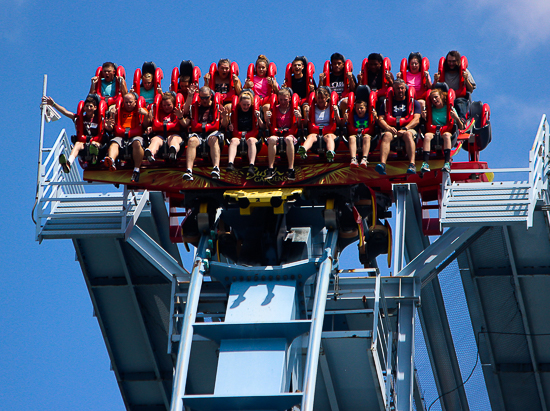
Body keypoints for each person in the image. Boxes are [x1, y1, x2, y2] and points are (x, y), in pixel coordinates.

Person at [42, 94, 104, 172]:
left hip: (96, 143)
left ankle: (94, 157)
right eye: (87, 106)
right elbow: (65, 112)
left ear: (95, 108)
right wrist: (53, 104)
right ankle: (68, 163)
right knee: (77, 144)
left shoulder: (99, 119)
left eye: (91, 106)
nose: (88, 108)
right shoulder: (79, 118)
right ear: (84, 108)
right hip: (84, 143)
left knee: (95, 144)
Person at [182, 86, 228, 181]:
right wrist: (190, 96)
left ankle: (216, 168)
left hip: (212, 133)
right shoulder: (196, 107)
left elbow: (224, 124)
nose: (204, 100)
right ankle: (189, 170)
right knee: (191, 141)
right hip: (198, 133)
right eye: (202, 98)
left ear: (211, 96)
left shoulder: (217, 107)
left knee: (214, 139)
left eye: (206, 98)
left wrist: (225, 117)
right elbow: (186, 116)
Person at [375, 79, 421, 175]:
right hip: (391, 128)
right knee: (386, 135)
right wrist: (388, 127)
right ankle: (383, 164)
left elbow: (416, 119)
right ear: (394, 90)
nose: (400, 91)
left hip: (407, 128)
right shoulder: (386, 103)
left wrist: (405, 128)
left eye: (402, 88)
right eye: (397, 89)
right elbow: (380, 119)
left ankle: (412, 164)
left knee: (408, 135)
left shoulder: (414, 103)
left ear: (405, 89)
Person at [103, 92, 149, 183]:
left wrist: (146, 115)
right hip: (121, 136)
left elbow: (145, 125)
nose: (128, 104)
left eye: (130, 102)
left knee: (137, 142)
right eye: (126, 102)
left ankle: (136, 170)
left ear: (135, 102)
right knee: (114, 143)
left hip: (135, 135)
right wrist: (109, 121)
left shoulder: (140, 110)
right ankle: (111, 160)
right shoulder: (118, 110)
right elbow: (111, 127)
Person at [420, 88, 464, 173]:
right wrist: (423, 117)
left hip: (446, 132)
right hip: (433, 132)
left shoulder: (449, 109)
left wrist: (456, 118)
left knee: (447, 135)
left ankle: (446, 163)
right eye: (432, 99)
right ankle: (425, 163)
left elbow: (461, 127)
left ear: (442, 97)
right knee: (427, 136)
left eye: (436, 97)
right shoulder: (430, 110)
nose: (434, 100)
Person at [265, 88, 302, 180]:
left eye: (285, 99)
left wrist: (299, 117)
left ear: (289, 98)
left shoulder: (294, 109)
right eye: (280, 99)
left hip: (290, 135)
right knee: (272, 139)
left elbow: (300, 125)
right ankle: (271, 168)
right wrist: (267, 118)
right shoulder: (275, 109)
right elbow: (268, 126)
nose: (283, 102)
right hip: (277, 134)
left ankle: (291, 169)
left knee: (289, 139)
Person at [225, 90, 265, 177]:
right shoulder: (236, 112)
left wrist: (258, 118)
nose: (246, 107)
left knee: (251, 140)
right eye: (244, 105)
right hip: (238, 135)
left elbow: (263, 127)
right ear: (240, 103)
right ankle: (230, 164)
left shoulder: (256, 110)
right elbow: (230, 126)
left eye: (248, 105)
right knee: (233, 141)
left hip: (252, 136)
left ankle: (251, 165)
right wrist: (230, 126)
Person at [297, 87, 341, 162]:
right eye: (318, 98)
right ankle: (303, 150)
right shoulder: (313, 108)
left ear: (327, 98)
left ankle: (330, 153)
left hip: (329, 132)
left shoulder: (332, 107)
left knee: (329, 136)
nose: (320, 100)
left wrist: (336, 113)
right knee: (311, 136)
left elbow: (340, 123)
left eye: (322, 98)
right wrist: (307, 115)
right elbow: (305, 125)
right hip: (315, 132)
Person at [434, 50, 476, 125]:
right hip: (445, 98)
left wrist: (466, 79)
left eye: (453, 61)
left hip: (459, 97)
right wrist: (436, 80)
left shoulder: (464, 71)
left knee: (459, 102)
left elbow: (471, 89)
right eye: (449, 61)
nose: (451, 64)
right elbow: (434, 89)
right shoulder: (442, 72)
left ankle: (462, 121)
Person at [144, 92, 188, 162]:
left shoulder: (177, 112)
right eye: (164, 105)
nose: (166, 107)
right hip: (160, 135)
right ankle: (150, 153)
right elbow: (151, 124)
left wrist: (180, 117)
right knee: (155, 140)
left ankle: (173, 151)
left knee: (173, 139)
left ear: (173, 104)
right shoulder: (158, 112)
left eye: (169, 105)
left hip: (175, 135)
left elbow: (184, 125)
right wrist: (150, 127)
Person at [283, 56, 316, 123]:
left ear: (303, 67)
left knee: (305, 108)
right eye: (295, 65)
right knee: (296, 109)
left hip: (305, 101)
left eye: (299, 65)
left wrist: (312, 90)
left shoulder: (307, 79)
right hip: (294, 102)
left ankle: (306, 126)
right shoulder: (290, 80)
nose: (297, 67)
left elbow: (316, 91)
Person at [347, 99, 373, 168]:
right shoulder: (354, 117)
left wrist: (375, 117)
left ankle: (364, 159)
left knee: (367, 137)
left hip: (366, 135)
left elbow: (374, 124)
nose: (359, 110)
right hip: (355, 135)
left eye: (361, 108)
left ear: (366, 108)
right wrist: (345, 118)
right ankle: (353, 159)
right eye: (357, 108)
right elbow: (345, 124)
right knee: (351, 137)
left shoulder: (369, 116)